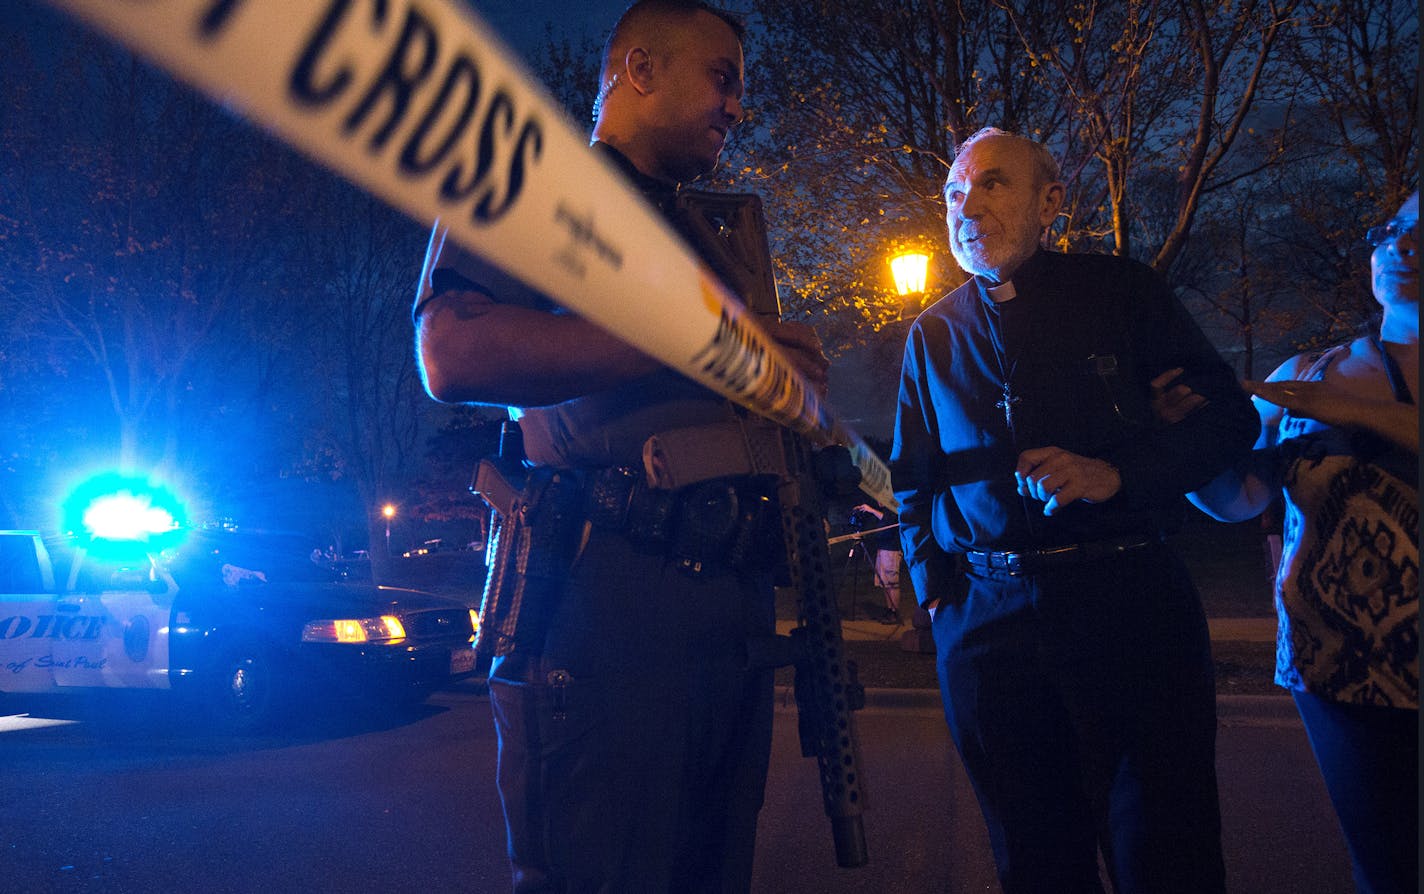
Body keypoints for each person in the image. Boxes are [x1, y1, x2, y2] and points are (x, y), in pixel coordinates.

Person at [412, 3, 829, 891]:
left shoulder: (718, 232)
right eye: (723, 77)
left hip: (731, 613)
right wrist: (701, 341)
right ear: (640, 69)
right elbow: (452, 353)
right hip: (604, 606)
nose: (737, 106)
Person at [891, 126, 1259, 893]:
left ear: (1050, 201)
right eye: (956, 192)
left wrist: (1114, 474)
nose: (968, 205)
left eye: (992, 184)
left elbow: (1228, 419)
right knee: (1033, 860)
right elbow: (912, 478)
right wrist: (936, 596)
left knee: (1166, 851)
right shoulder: (930, 335)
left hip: (1128, 603)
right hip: (986, 625)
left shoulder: (1123, 293)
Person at [1183, 190, 1418, 894]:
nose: (1400, 247)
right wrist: (1190, 442)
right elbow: (1239, 499)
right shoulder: (1302, 375)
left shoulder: (1316, 395)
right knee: (1387, 867)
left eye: (1422, 235)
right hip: (1338, 672)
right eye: (1392, 231)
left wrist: (1345, 411)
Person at [849, 501, 903, 623]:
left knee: (892, 584)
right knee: (885, 584)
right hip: (882, 550)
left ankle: (895, 612)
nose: (879, 501)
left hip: (891, 551)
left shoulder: (892, 511)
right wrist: (862, 510)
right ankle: (890, 609)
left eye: (880, 498)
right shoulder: (883, 512)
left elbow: (888, 521)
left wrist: (871, 510)